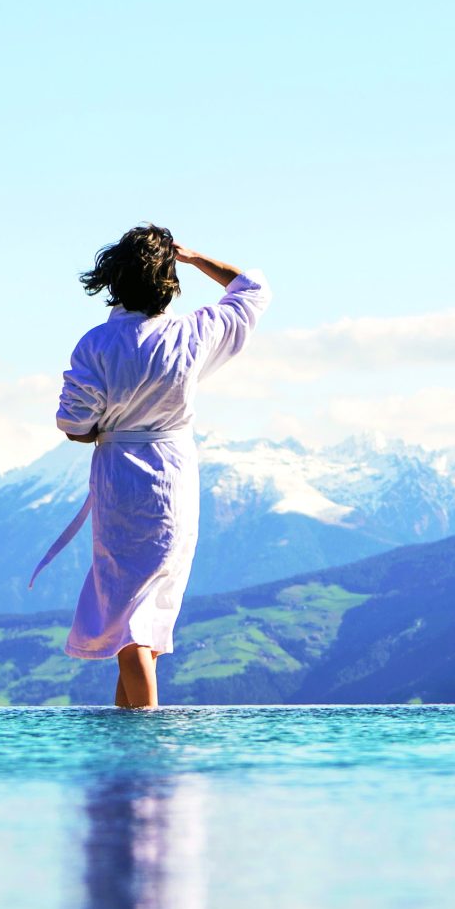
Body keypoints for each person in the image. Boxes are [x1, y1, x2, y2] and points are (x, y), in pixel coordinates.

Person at [33, 226, 268, 708]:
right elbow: (251, 289)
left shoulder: (97, 344)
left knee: (128, 614)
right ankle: (136, 736)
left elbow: (73, 424)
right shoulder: (193, 333)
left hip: (121, 478)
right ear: (169, 278)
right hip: (175, 476)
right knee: (150, 611)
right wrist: (197, 256)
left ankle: (144, 736)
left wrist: (104, 427)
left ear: (115, 279)